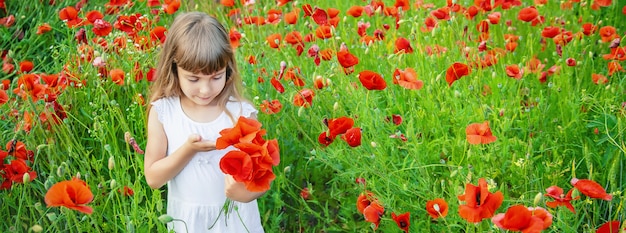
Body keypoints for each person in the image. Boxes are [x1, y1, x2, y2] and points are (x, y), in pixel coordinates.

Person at [144, 12, 266, 233]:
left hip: (236, 221)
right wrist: (188, 150)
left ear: (228, 68)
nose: (205, 89)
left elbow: (262, 178)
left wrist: (246, 194)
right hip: (188, 222)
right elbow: (153, 178)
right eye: (193, 79)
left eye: (216, 77)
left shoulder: (241, 113)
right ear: (174, 68)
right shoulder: (165, 111)